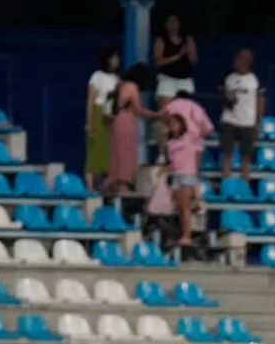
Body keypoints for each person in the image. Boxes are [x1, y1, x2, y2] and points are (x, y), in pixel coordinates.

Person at [162, 92, 213, 249]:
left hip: (187, 175)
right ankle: (183, 233)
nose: (173, 127)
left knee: (185, 208)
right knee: (178, 208)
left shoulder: (190, 139)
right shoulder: (170, 143)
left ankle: (187, 235)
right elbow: (169, 161)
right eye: (171, 125)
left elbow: (200, 146)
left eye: (176, 124)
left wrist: (194, 173)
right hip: (175, 175)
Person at [105, 65, 159, 199]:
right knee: (126, 154)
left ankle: (111, 185)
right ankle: (123, 185)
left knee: (116, 154)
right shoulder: (132, 87)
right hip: (126, 121)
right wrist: (157, 115)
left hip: (116, 122)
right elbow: (139, 109)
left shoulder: (120, 85)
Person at [219, 49, 264, 181]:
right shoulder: (228, 77)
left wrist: (257, 121)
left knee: (246, 156)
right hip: (229, 120)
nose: (236, 61)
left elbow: (260, 100)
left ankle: (244, 183)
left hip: (248, 121)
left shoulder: (255, 79)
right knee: (227, 154)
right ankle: (226, 182)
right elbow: (222, 95)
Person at [86, 48, 120, 191]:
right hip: (98, 114)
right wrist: (90, 121)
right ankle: (90, 188)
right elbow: (90, 100)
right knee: (93, 154)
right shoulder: (96, 76)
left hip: (111, 116)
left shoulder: (116, 79)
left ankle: (107, 189)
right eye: (114, 58)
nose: (117, 61)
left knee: (110, 154)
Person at [153, 14, 197, 104]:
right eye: (170, 22)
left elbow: (194, 60)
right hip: (167, 79)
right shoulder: (160, 40)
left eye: (175, 22)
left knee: (186, 109)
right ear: (165, 24)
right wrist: (177, 56)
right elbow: (158, 62)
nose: (173, 24)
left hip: (185, 79)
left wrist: (188, 53)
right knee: (167, 110)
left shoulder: (188, 39)